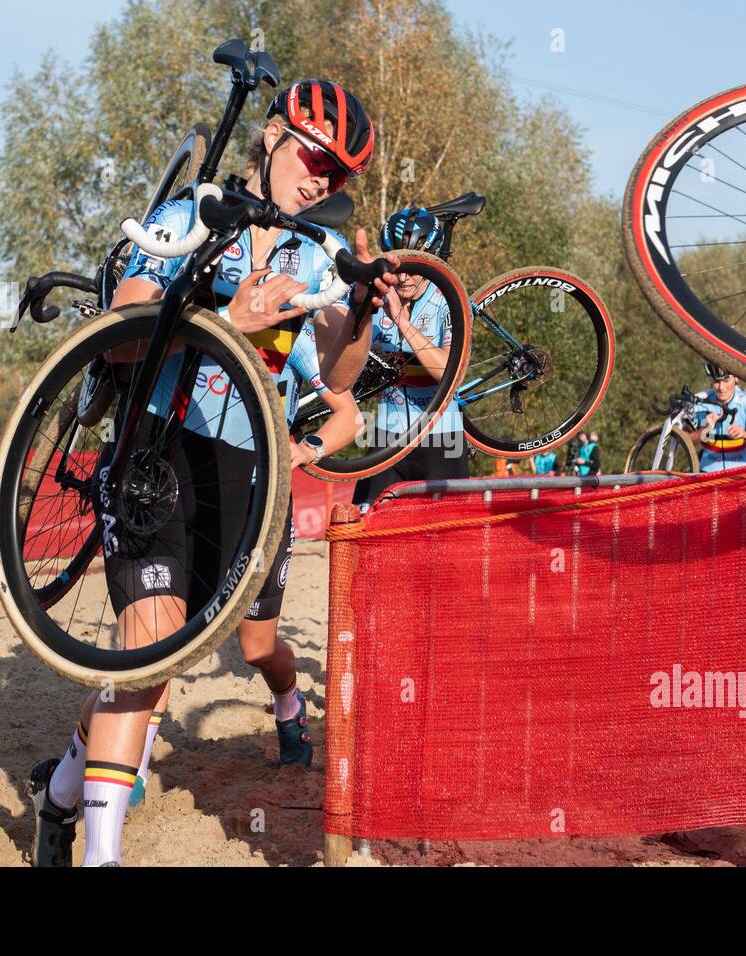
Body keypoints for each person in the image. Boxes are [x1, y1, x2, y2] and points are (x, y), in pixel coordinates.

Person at [27, 78, 399, 867]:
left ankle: (60, 792)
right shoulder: (192, 216)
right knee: (148, 645)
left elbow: (337, 374)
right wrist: (227, 322)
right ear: (270, 136)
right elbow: (119, 333)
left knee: (156, 671)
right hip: (155, 448)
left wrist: (362, 310)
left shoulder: (312, 255)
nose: (322, 181)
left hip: (240, 475)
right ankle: (102, 857)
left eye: (340, 176)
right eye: (315, 157)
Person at [345, 206, 470, 510]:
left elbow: (450, 374)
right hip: (387, 435)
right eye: (398, 265)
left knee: (445, 546)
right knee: (370, 534)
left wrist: (401, 320)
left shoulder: (447, 299)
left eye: (415, 268)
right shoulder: (376, 294)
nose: (404, 277)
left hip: (442, 439)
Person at [684, 362, 746, 472]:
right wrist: (704, 431)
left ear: (736, 379)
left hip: (740, 473)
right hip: (706, 473)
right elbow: (685, 439)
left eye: (726, 381)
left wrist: (745, 434)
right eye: (716, 381)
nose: (721, 387)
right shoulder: (702, 403)